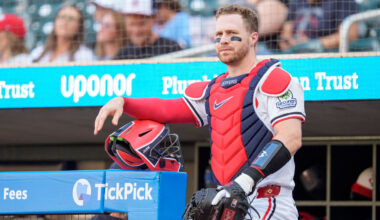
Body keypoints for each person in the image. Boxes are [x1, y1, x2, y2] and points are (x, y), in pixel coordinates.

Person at [94, 4, 305, 220]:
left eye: (232, 34)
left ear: (253, 38)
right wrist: (125, 102)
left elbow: (290, 137)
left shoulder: (274, 78)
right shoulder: (213, 90)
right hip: (227, 202)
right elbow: (168, 109)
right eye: (219, 34)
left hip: (268, 202)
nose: (223, 40)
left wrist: (246, 180)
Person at [279, 0, 358, 53]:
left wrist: (313, 44)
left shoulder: (343, 2)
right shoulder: (297, 2)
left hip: (324, 55)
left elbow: (350, 34)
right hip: (293, 53)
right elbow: (285, 32)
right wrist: (290, 42)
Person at [115, 0, 181, 59]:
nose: (136, 31)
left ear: (153, 19)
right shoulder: (123, 55)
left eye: (141, 24)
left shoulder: (171, 48)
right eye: (131, 24)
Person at [31, 5, 95, 63]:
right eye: (62, 17)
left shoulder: (84, 55)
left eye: (71, 19)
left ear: (79, 27)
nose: (65, 22)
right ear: (54, 21)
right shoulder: (37, 52)